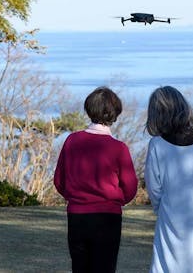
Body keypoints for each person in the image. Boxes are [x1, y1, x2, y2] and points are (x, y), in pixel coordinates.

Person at [54, 86, 138, 273]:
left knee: (80, 268)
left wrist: (74, 197)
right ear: (114, 113)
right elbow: (130, 187)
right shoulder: (118, 148)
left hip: (77, 216)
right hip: (108, 217)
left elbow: (59, 179)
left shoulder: (72, 141)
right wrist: (115, 200)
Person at [144, 86, 193, 273]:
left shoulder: (157, 145)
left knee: (168, 263)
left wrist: (161, 207)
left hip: (171, 212)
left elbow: (153, 187)